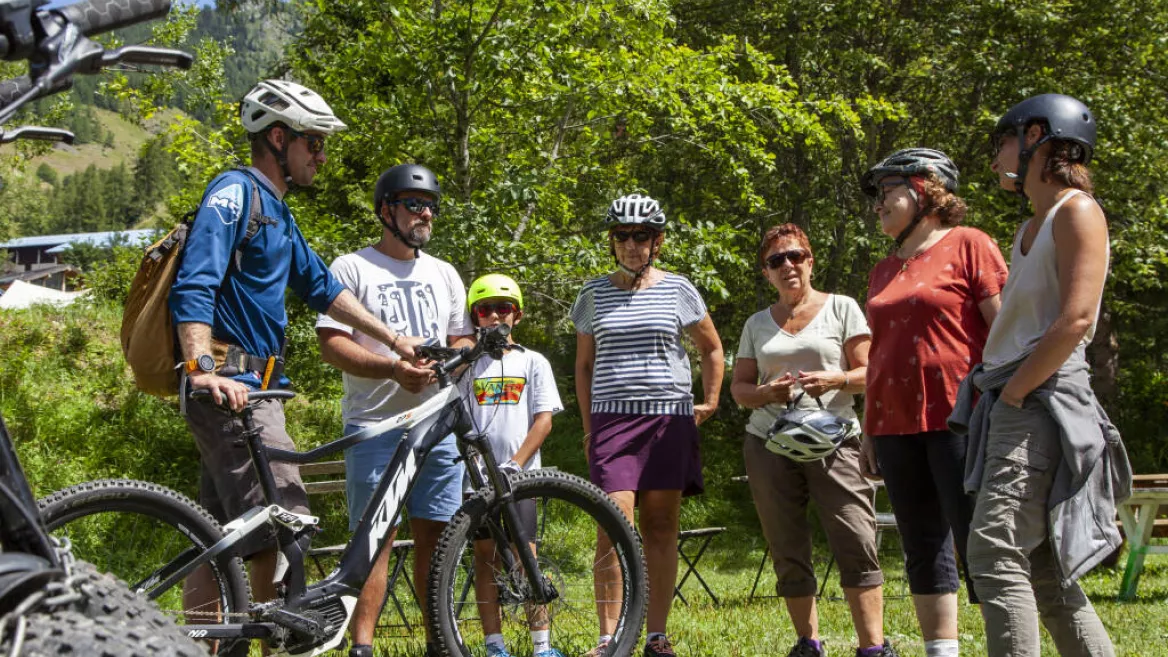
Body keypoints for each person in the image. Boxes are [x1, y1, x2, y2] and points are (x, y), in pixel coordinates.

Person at [170, 79, 418, 613]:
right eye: (315, 143)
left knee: (220, 540)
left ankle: (205, 646)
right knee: (285, 526)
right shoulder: (234, 193)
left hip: (253, 389)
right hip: (233, 388)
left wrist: (397, 340)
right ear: (279, 138)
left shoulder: (276, 212)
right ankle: (271, 645)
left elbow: (324, 289)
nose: (322, 157)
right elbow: (194, 282)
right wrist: (201, 368)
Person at [949, 93, 1131, 657]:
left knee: (995, 553)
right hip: (1016, 396)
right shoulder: (1032, 227)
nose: (997, 156)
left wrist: (1017, 393)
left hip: (1039, 400)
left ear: (1036, 138)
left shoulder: (1077, 211)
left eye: (1003, 141)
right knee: (1044, 570)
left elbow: (1077, 319)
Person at [315, 163, 473, 657]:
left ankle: (438, 643)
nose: (424, 213)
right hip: (375, 425)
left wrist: (452, 366)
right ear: (386, 210)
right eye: (412, 204)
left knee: (440, 540)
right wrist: (391, 370)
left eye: (429, 206)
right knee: (374, 542)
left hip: (438, 425)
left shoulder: (444, 272)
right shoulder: (351, 267)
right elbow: (331, 343)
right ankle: (361, 647)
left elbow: (461, 336)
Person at [858, 149, 1008, 657]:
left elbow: (1006, 330)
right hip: (894, 424)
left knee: (979, 542)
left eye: (887, 192)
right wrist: (869, 427)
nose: (878, 204)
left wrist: (1010, 405)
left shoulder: (970, 245)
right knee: (921, 545)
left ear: (924, 189)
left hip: (960, 420)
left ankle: (1007, 646)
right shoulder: (883, 270)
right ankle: (941, 652)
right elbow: (879, 353)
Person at [729, 223, 898, 657]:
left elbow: (870, 373)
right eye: (775, 260)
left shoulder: (842, 308)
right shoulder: (755, 324)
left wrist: (836, 377)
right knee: (786, 543)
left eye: (795, 256)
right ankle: (808, 643)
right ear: (765, 272)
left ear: (810, 261)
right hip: (768, 444)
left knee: (855, 538)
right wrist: (767, 393)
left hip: (836, 443)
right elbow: (741, 389)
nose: (787, 266)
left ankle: (873, 648)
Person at [570, 193, 723, 657]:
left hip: (668, 419)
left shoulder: (678, 288)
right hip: (612, 420)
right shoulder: (592, 293)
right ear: (612, 241)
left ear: (657, 241)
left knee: (661, 525)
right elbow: (583, 366)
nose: (631, 244)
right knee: (612, 522)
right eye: (622, 236)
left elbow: (711, 348)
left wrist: (711, 401)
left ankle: (656, 634)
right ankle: (609, 637)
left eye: (641, 236)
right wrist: (588, 426)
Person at [457, 273, 564, 657]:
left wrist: (517, 464)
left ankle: (541, 646)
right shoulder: (466, 367)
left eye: (504, 308)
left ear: (517, 315)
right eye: (486, 310)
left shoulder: (534, 361)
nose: (495, 316)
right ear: (475, 316)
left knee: (525, 556)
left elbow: (544, 419)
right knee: (484, 559)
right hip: (478, 481)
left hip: (522, 481)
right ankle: (494, 645)